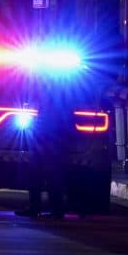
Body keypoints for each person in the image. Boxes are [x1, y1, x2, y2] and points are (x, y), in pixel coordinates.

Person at [22, 81, 75, 219]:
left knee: (50, 175)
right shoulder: (61, 93)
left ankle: (51, 209)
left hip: (52, 140)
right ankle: (42, 208)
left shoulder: (57, 96)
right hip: (49, 139)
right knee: (39, 174)